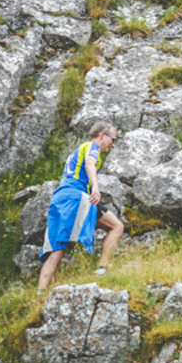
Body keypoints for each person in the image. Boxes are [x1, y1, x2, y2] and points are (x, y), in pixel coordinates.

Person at [37, 122, 123, 293]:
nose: (112, 144)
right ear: (102, 136)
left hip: (59, 199)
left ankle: (40, 291)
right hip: (75, 196)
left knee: (57, 249)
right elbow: (89, 164)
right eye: (112, 139)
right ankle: (102, 269)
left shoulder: (76, 151)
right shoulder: (92, 147)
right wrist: (96, 188)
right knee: (117, 226)